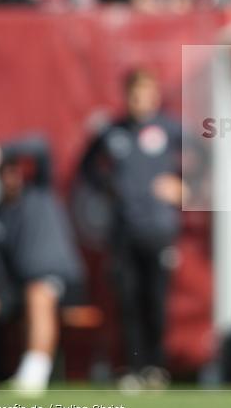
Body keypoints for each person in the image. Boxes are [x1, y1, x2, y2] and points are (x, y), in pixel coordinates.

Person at [78, 69, 185, 390]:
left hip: (158, 229)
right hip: (123, 231)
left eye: (146, 93)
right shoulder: (113, 132)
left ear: (155, 95)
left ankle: (156, 367)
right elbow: (88, 168)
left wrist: (185, 186)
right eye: (134, 93)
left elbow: (207, 160)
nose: (140, 100)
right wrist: (109, 188)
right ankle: (133, 368)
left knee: (155, 300)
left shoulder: (169, 130)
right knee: (127, 301)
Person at [0, 135, 86, 394]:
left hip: (61, 282)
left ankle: (33, 377)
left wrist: (0, 150)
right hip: (14, 290)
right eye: (4, 171)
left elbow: (42, 146)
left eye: (14, 170)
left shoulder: (40, 193)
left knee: (38, 292)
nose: (11, 177)